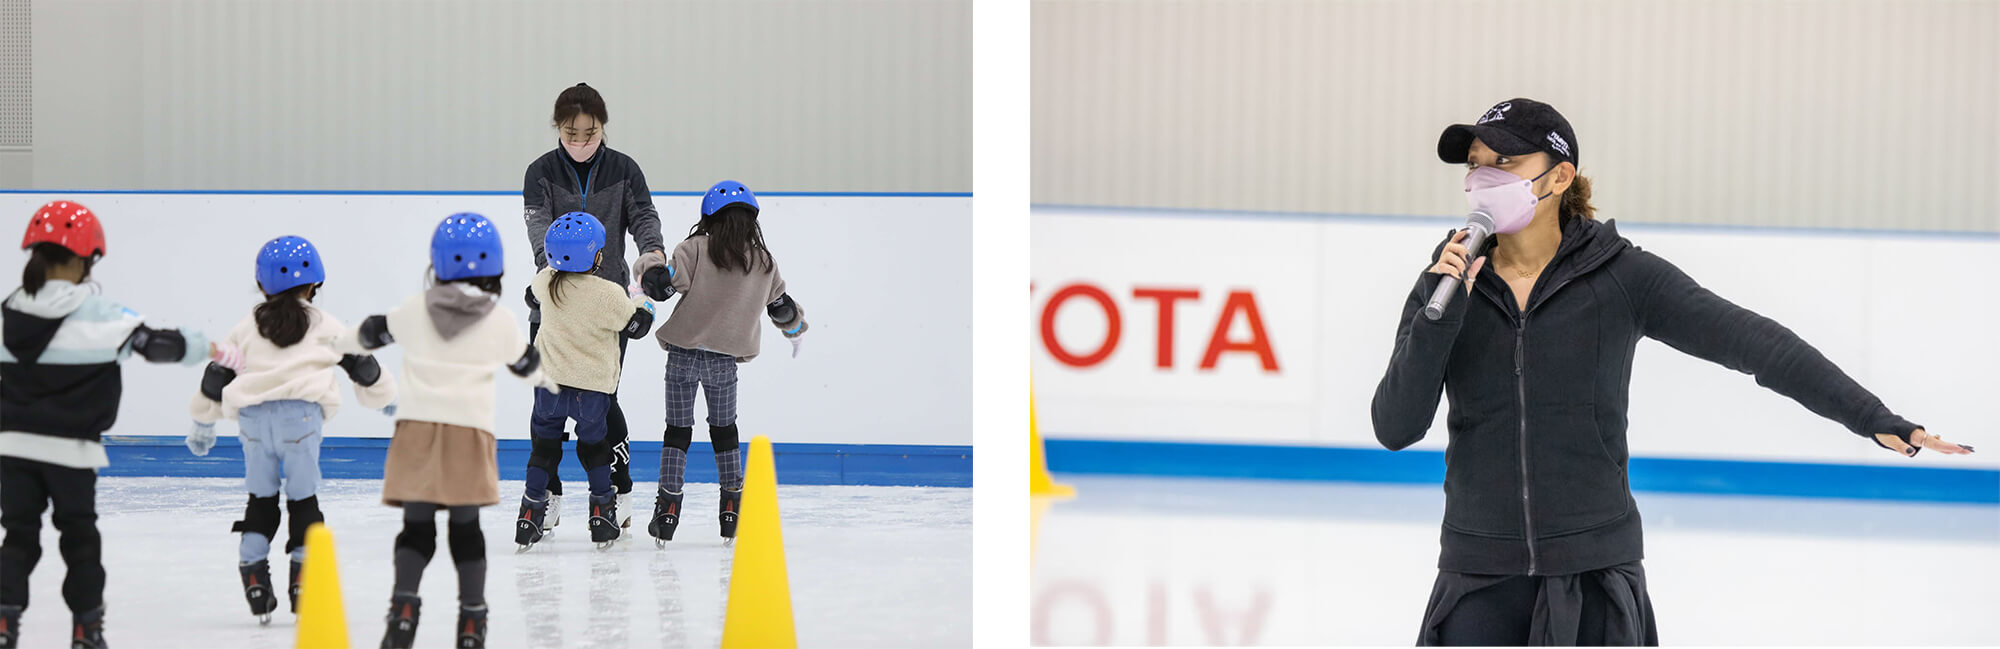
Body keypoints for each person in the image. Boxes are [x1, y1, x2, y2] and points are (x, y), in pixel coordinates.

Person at [1370, 99, 1976, 646]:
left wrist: (1872, 417)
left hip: (1594, 579)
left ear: (1559, 176)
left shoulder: (1622, 278)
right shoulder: (1445, 289)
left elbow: (1756, 344)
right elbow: (1395, 426)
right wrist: (1438, 315)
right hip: (1478, 581)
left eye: (1505, 160)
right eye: (1476, 164)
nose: (1485, 178)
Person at [0, 201, 242, 649]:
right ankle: (86, 630)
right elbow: (158, 345)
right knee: (79, 539)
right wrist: (203, 345)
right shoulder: (100, 314)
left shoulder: (8, 311)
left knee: (18, 540)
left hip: (12, 452)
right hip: (71, 453)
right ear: (81, 260)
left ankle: (3, 622)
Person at [339, 213, 557, 649]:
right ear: (494, 269)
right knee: (465, 529)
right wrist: (545, 380)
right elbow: (526, 365)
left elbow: (369, 333)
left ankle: (403, 607)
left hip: (416, 432)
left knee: (416, 528)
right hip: (468, 434)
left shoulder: (414, 309)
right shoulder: (499, 321)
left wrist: (340, 343)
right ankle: (473, 619)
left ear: (437, 265)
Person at [184, 235, 398, 624]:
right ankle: (302, 582)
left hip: (251, 421)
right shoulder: (324, 323)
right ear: (314, 283)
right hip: (300, 420)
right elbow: (359, 363)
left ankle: (253, 573)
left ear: (262, 285)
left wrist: (203, 420)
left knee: (261, 499)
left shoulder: (247, 326)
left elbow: (217, 373)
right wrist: (386, 399)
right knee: (303, 500)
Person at [520, 82, 666, 532]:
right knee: (548, 406)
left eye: (590, 132)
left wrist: (653, 259)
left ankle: (616, 491)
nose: (581, 142)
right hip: (555, 306)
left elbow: (643, 219)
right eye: (571, 134)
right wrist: (558, 278)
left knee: (602, 399)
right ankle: (548, 497)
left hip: (608, 309)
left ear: (603, 127)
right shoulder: (540, 172)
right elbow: (539, 227)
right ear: (557, 129)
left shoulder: (624, 169)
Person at [635, 181, 808, 546]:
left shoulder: (695, 249)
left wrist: (650, 262)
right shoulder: (763, 262)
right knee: (724, 432)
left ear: (708, 216)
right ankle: (732, 509)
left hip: (683, 356)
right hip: (725, 363)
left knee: (678, 433)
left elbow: (661, 287)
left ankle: (668, 510)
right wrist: (795, 330)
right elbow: (781, 307)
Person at [516, 211, 656, 551]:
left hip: (548, 386)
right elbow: (635, 326)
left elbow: (530, 297)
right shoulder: (608, 293)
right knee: (594, 450)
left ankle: (530, 515)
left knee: (544, 451)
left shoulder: (546, 281)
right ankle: (602, 514)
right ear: (595, 256)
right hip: (591, 390)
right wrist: (643, 301)